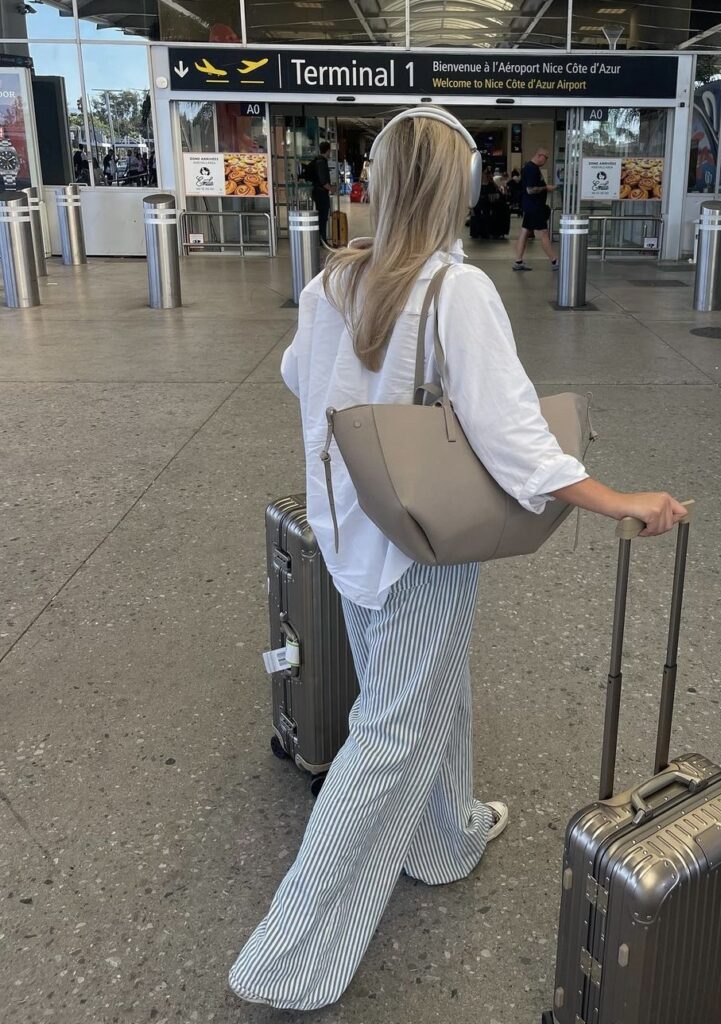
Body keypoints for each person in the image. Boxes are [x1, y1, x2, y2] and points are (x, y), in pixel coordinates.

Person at [227, 106, 687, 1013]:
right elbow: (516, 440)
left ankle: (445, 840)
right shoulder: (454, 290)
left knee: (427, 691)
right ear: (460, 187)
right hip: (424, 547)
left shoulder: (335, 280)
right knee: (391, 736)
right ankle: (286, 958)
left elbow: (295, 378)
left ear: (386, 182)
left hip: (352, 528)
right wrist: (616, 500)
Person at [513, 147, 559, 271]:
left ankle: (518, 261)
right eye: (546, 157)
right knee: (543, 233)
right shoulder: (530, 169)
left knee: (525, 232)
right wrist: (546, 188)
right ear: (539, 155)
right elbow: (530, 189)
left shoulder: (533, 168)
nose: (546, 160)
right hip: (534, 207)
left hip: (532, 206)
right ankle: (555, 260)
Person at [309, 141, 332, 245]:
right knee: (323, 217)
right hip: (321, 193)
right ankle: (322, 240)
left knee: (321, 216)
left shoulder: (317, 160)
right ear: (328, 150)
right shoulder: (322, 162)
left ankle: (320, 239)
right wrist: (331, 189)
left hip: (316, 192)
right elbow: (323, 181)